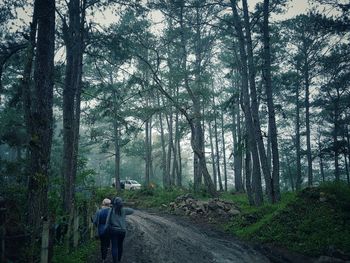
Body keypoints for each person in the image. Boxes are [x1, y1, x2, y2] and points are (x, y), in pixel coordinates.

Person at [109, 197, 134, 263]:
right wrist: (123, 204)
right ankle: (119, 260)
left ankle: (115, 261)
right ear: (121, 203)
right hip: (122, 231)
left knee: (114, 246)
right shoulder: (124, 210)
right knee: (120, 246)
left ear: (114, 203)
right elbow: (132, 210)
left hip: (114, 230)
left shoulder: (111, 210)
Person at [93, 198, 112, 263]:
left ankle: (103, 258)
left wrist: (97, 226)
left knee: (102, 244)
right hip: (109, 229)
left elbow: (95, 221)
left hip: (101, 230)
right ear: (109, 204)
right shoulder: (111, 211)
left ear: (103, 203)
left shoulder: (99, 211)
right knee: (107, 241)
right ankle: (107, 247)